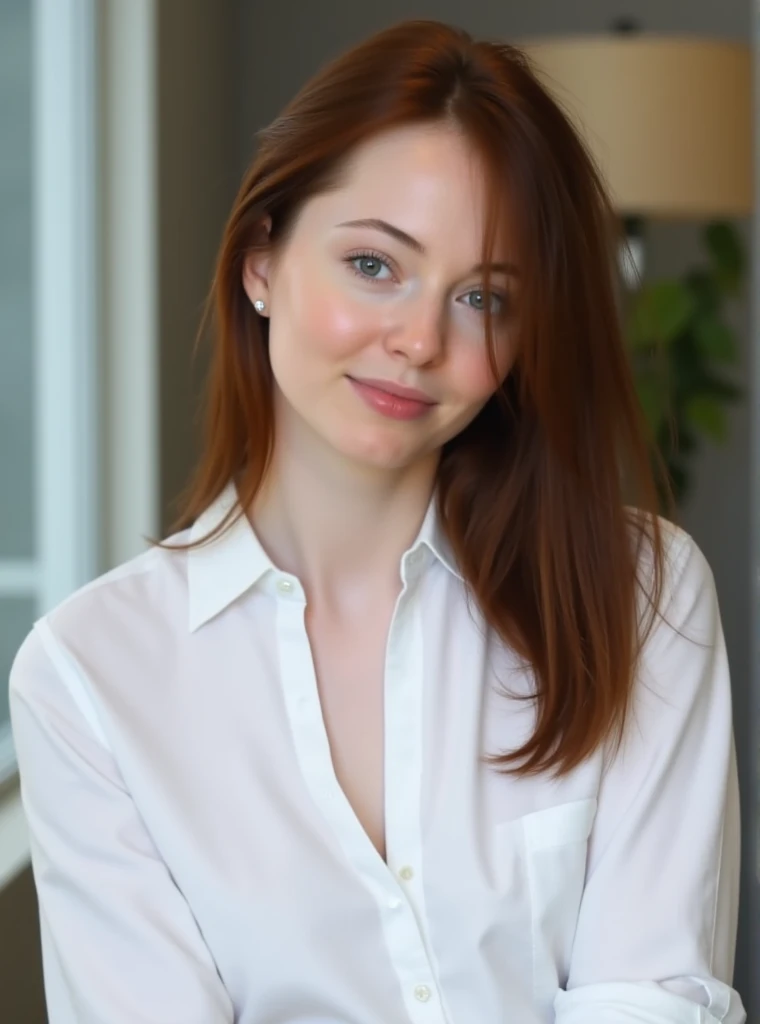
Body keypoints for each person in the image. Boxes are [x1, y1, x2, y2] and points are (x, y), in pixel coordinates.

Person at [9, 18, 744, 1024]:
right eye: (373, 265)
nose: (418, 341)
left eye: (482, 297)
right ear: (261, 260)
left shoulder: (640, 594)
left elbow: (651, 999)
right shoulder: (90, 678)